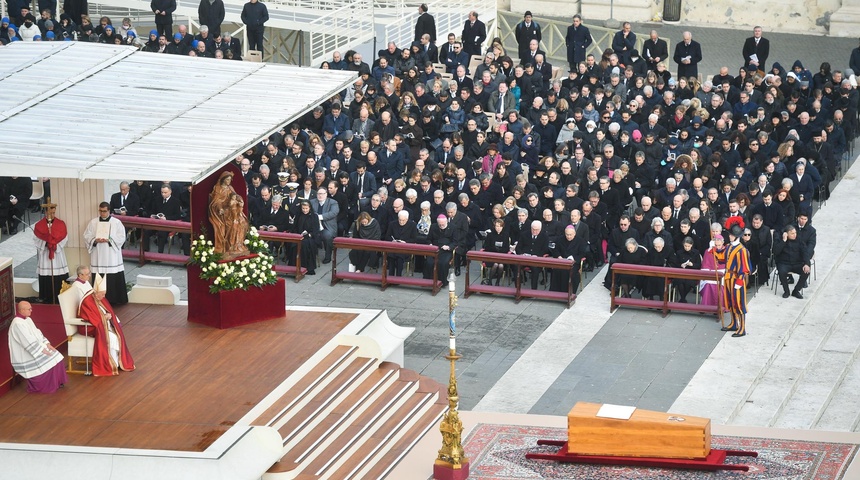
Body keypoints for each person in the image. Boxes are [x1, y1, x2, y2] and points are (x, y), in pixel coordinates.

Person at [74, 266, 135, 376]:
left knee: (117, 334)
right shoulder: (88, 300)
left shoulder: (97, 296)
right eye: (102, 294)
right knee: (111, 337)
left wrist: (108, 315)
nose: (104, 296)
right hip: (89, 326)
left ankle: (116, 362)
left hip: (101, 323)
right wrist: (104, 317)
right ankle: (110, 364)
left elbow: (104, 310)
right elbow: (91, 317)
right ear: (96, 293)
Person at [8, 301, 67, 393]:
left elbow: (37, 333)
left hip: (37, 347)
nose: (31, 310)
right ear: (22, 310)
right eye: (29, 309)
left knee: (57, 357)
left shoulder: (27, 319)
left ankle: (57, 382)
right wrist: (42, 350)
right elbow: (27, 341)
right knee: (49, 359)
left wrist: (47, 344)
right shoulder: (17, 324)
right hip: (26, 354)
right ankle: (44, 386)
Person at [83, 202, 128, 305]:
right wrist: (95, 240)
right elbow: (86, 235)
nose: (102, 213)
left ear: (109, 211)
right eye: (100, 211)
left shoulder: (116, 222)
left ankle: (114, 300)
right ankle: (99, 300)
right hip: (98, 253)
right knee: (99, 276)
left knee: (111, 277)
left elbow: (121, 237)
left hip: (111, 255)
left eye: (104, 211)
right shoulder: (93, 222)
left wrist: (110, 240)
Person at [33, 199, 68, 304]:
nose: (52, 215)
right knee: (46, 275)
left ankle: (59, 297)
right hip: (45, 254)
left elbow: (65, 237)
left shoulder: (60, 224)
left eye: (53, 213)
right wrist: (45, 244)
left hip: (57, 254)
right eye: (50, 213)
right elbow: (36, 238)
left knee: (58, 276)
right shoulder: (39, 225)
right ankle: (46, 297)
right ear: (45, 212)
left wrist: (55, 245)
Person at [208, 172, 250, 260]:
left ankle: (238, 245)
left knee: (242, 222)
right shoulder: (217, 188)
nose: (228, 181)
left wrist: (240, 199)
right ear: (223, 179)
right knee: (232, 224)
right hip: (223, 212)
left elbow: (236, 196)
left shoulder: (230, 188)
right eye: (227, 179)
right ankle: (230, 246)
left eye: (230, 180)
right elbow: (215, 202)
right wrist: (220, 208)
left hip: (232, 209)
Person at [719, 225, 750, 336]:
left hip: (736, 279)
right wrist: (715, 250)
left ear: (737, 237)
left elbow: (745, 269)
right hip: (728, 278)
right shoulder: (728, 246)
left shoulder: (742, 250)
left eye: (732, 235)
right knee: (731, 302)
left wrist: (740, 282)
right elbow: (722, 258)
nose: (729, 236)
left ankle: (742, 328)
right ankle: (734, 324)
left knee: (739, 304)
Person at [773, 224, 811, 300]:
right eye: (792, 233)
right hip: (784, 263)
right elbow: (776, 251)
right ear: (786, 234)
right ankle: (786, 291)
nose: (794, 235)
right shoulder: (780, 240)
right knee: (782, 272)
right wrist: (784, 241)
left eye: (795, 233)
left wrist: (807, 264)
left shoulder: (799, 240)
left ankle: (796, 291)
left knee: (806, 271)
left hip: (797, 263)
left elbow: (805, 252)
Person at [550, 224, 588, 293]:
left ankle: (568, 292)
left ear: (574, 234)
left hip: (574, 263)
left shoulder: (580, 241)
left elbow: (582, 253)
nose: (569, 236)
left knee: (569, 272)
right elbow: (555, 250)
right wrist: (559, 256)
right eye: (567, 234)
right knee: (556, 270)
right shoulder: (560, 239)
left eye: (570, 235)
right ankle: (555, 292)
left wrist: (573, 258)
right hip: (561, 261)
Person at [700, 233, 726, 307]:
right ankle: (706, 306)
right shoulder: (708, 251)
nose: (717, 247)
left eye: (719, 245)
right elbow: (705, 265)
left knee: (721, 285)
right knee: (708, 284)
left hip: (722, 273)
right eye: (716, 245)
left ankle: (720, 307)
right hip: (710, 273)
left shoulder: (726, 251)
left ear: (722, 243)